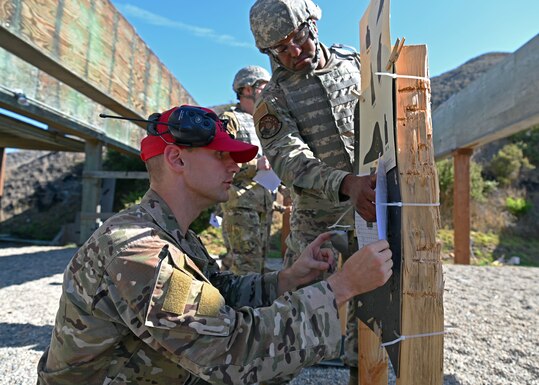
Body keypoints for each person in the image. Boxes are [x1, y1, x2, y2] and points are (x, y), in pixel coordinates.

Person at [37, 105, 393, 385]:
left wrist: (287, 279)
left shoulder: (172, 234)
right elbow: (230, 352)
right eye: (220, 155)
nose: (235, 167)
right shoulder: (136, 250)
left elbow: (219, 292)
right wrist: (341, 288)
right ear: (177, 159)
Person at [249, 0, 376, 383]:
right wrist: (344, 183)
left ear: (312, 26)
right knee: (298, 307)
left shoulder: (355, 63)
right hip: (315, 220)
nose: (292, 53)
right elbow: (289, 160)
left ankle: (360, 372)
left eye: (297, 39)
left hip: (369, 206)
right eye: (279, 49)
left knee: (369, 303)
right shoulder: (272, 99)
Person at [219, 66, 274, 274]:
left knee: (259, 265)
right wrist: (255, 165)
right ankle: (238, 307)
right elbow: (221, 160)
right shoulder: (230, 119)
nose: (269, 90)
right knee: (244, 266)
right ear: (247, 89)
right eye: (264, 86)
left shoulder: (265, 121)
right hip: (241, 205)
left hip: (265, 204)